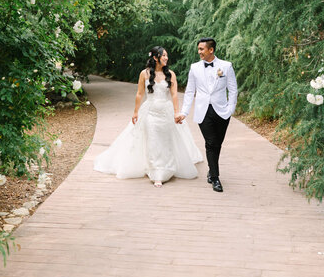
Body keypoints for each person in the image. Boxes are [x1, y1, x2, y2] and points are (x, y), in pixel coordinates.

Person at [94, 46, 202, 187]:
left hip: (166, 111)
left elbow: (174, 94)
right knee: (153, 140)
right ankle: (156, 172)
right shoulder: (144, 74)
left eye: (167, 56)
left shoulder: (171, 74)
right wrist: (135, 112)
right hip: (150, 112)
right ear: (156, 58)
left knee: (166, 141)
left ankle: (167, 168)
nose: (166, 58)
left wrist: (177, 112)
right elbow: (140, 94)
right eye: (164, 55)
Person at [178, 37, 238, 192]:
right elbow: (190, 91)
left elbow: (233, 89)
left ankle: (211, 171)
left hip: (222, 111)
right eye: (198, 49)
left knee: (217, 143)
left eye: (201, 49)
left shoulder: (226, 66)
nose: (199, 52)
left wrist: (230, 109)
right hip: (203, 111)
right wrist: (184, 112)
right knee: (211, 143)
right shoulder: (195, 68)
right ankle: (215, 178)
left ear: (211, 50)